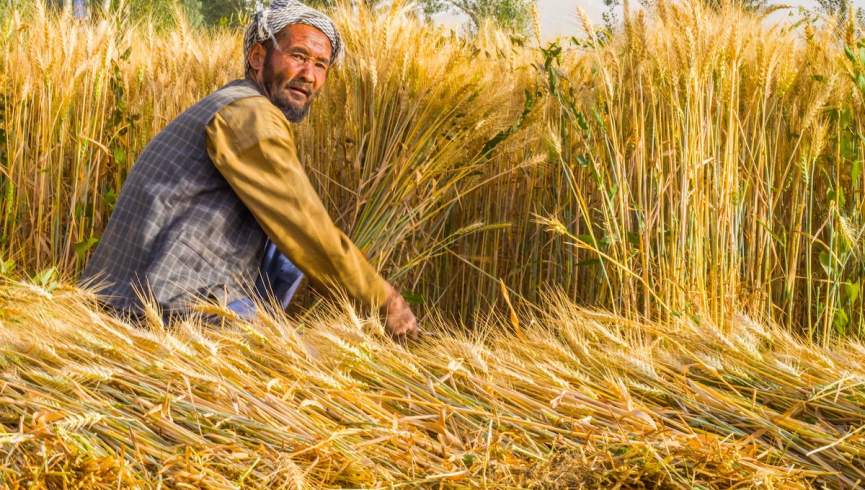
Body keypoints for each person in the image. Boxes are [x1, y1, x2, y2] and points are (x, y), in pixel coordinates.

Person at [80, 0, 418, 340]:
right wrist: (384, 300)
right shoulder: (249, 115)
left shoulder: (233, 104)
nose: (309, 75)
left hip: (135, 297)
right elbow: (304, 225)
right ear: (258, 58)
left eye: (321, 64)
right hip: (165, 306)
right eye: (298, 56)